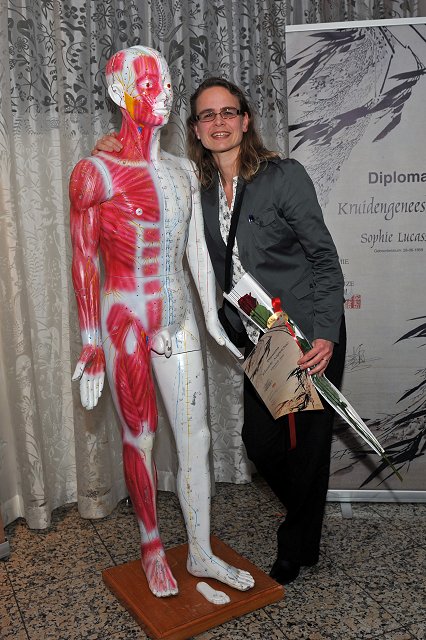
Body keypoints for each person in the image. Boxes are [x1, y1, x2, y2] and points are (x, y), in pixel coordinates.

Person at [94, 76, 346, 585]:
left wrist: (324, 334)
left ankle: (297, 545)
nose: (219, 122)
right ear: (194, 128)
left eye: (228, 112)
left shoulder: (283, 176)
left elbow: (323, 258)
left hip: (305, 334)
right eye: (207, 115)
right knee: (261, 445)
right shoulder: (198, 186)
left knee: (310, 446)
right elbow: (150, 171)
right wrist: (113, 145)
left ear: (245, 120)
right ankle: (305, 514)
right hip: (261, 341)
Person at [70, 46, 254, 598]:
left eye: (168, 84)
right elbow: (83, 258)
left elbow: (195, 249)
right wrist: (89, 342)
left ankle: (199, 549)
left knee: (197, 435)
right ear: (119, 92)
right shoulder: (94, 173)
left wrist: (214, 320)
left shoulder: (182, 170)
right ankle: (152, 547)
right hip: (124, 319)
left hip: (177, 320)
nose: (165, 95)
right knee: (141, 437)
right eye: (150, 85)